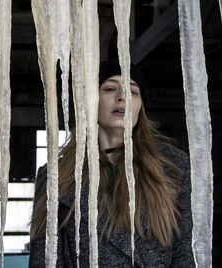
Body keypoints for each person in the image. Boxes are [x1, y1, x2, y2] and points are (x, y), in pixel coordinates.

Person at [29, 59, 194, 267]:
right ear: (91, 100)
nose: (121, 96)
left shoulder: (174, 168)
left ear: (141, 107)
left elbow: (186, 255)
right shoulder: (56, 176)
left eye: (132, 91)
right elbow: (45, 261)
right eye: (109, 88)